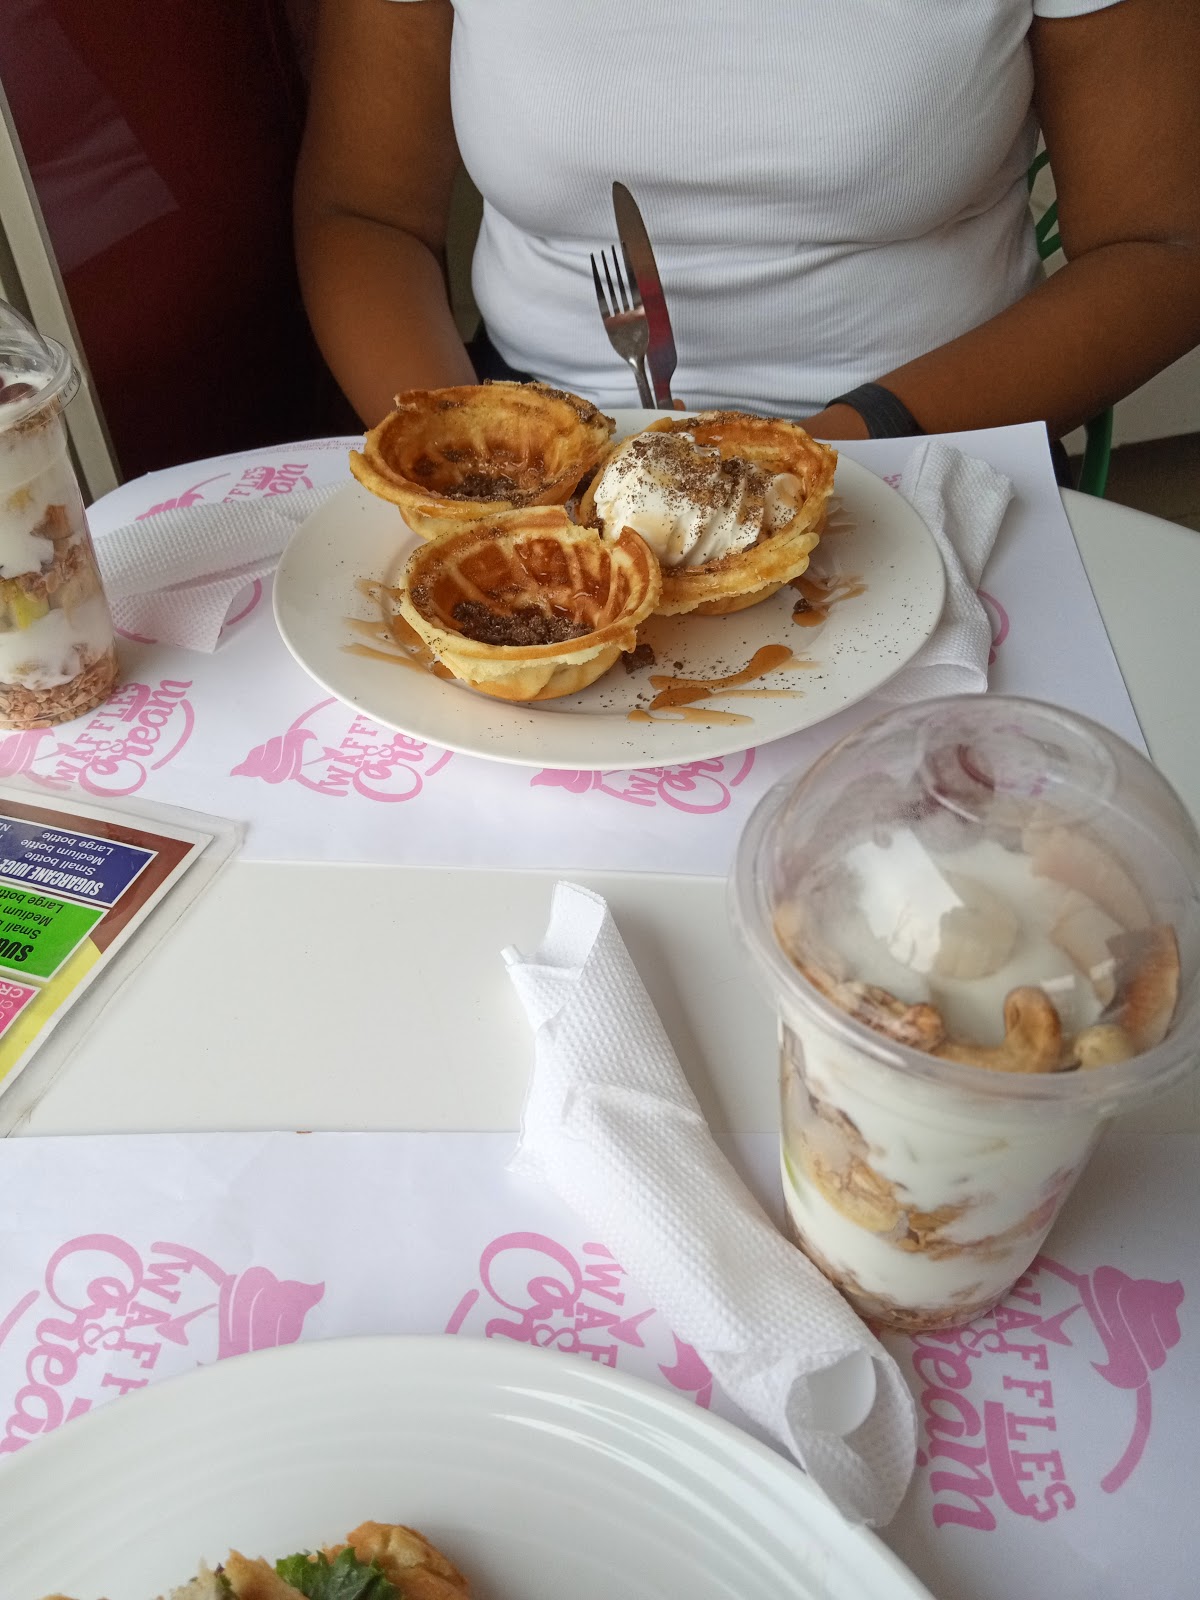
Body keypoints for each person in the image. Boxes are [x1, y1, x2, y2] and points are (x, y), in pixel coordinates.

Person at [294, 0, 1200, 452]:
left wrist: (836, 455)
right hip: (525, 436)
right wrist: (465, 454)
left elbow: (1162, 244)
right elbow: (365, 213)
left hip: (932, 446)